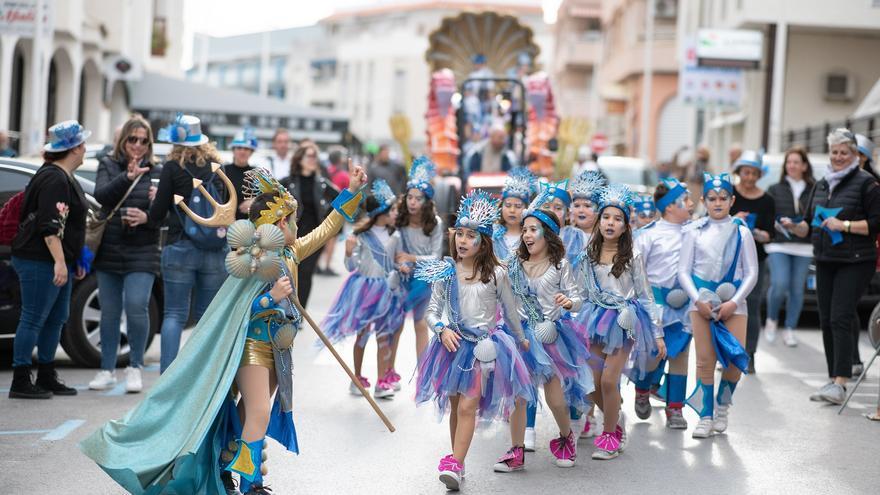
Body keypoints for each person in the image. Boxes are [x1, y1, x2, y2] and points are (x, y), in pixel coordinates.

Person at [80, 165, 366, 495]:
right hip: (252, 347)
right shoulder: (252, 259)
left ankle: (224, 465)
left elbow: (328, 228)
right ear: (280, 223)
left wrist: (353, 191)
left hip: (279, 350)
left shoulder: (291, 252)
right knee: (258, 412)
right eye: (293, 219)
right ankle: (251, 484)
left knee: (248, 413)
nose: (299, 226)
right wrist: (268, 299)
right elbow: (238, 310)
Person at [414, 190, 535, 490]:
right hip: (451, 347)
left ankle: (453, 463)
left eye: (471, 236)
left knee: (468, 406)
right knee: (456, 408)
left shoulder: (496, 274)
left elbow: (510, 312)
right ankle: (459, 460)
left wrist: (521, 340)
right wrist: (441, 328)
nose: (463, 241)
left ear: (483, 242)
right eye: (460, 235)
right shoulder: (447, 271)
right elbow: (431, 312)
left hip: (484, 349)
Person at [494, 187, 593, 471]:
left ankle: (565, 437)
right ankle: (516, 451)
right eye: (524, 229)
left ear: (548, 234)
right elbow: (492, 274)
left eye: (533, 229)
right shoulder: (514, 263)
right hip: (520, 337)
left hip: (550, 336)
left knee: (555, 399)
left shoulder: (560, 265)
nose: (526, 234)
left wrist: (568, 301)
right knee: (518, 396)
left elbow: (577, 299)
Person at [782, 128, 880, 405]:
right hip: (825, 258)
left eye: (844, 153)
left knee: (840, 316)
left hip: (856, 261)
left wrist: (845, 225)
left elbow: (876, 224)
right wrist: (794, 227)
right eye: (834, 152)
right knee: (826, 319)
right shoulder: (822, 183)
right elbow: (809, 223)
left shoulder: (867, 184)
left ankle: (840, 382)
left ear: (854, 155)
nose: (838, 157)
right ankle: (832, 380)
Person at [581, 184, 664, 459]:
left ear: (626, 226)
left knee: (608, 380)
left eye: (618, 219)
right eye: (606, 217)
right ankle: (616, 420)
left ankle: (608, 436)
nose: (610, 223)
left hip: (624, 322)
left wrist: (658, 332)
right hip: (593, 319)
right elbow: (579, 292)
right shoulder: (588, 255)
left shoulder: (632, 256)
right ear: (599, 220)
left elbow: (646, 294)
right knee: (590, 383)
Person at [7, 120, 90, 399]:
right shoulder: (55, 178)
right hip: (40, 259)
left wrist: (72, 258)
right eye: (82, 144)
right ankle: (21, 380)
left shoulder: (61, 175)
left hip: (54, 258)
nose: (85, 148)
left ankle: (45, 374)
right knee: (33, 317)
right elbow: (49, 226)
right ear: (74, 149)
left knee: (56, 318)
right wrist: (59, 261)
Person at [679, 173, 758, 439]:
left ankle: (723, 405)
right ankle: (705, 416)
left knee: (734, 360)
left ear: (732, 200)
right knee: (704, 361)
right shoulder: (693, 231)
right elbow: (683, 271)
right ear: (703, 200)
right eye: (712, 199)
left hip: (734, 305)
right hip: (700, 303)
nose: (717, 203)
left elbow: (751, 272)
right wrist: (697, 300)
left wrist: (735, 302)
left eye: (723, 198)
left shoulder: (742, 232)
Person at [148, 114, 229, 373]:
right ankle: (200, 378)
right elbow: (225, 205)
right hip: (215, 250)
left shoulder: (172, 167)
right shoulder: (218, 165)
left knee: (174, 314)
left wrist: (152, 208)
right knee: (206, 318)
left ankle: (168, 377)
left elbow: (158, 212)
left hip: (180, 247)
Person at [88, 116, 162, 393]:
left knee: (136, 306)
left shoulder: (157, 170)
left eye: (144, 141)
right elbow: (102, 195)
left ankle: (135, 367)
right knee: (109, 311)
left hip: (142, 249)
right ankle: (106, 369)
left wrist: (148, 215)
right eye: (133, 139)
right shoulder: (109, 164)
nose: (138, 145)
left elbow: (165, 215)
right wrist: (127, 177)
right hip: (110, 247)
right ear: (123, 141)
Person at [321, 179, 405, 399]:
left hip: (386, 289)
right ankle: (357, 378)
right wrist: (348, 253)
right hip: (366, 290)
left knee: (384, 336)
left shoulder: (395, 235)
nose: (396, 213)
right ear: (381, 212)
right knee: (363, 335)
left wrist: (401, 266)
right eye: (393, 209)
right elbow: (351, 267)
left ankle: (381, 381)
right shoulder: (360, 235)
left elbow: (394, 261)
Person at [632, 178, 694, 429]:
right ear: (670, 206)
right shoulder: (647, 236)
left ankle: (675, 408)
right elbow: (637, 273)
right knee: (653, 356)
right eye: (686, 199)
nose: (691, 204)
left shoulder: (694, 232)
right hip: (655, 307)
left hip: (685, 308)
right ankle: (643, 388)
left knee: (680, 356)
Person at [389, 156, 444, 388]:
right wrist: (400, 263)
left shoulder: (436, 224)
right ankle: (388, 371)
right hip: (402, 278)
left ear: (427, 201)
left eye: (418, 198)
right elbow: (394, 251)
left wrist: (413, 259)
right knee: (395, 324)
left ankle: (423, 374)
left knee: (420, 324)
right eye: (409, 197)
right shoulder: (399, 222)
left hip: (424, 280)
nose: (412, 202)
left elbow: (436, 256)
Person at [764, 147, 815, 348]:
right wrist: (777, 224)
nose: (792, 166)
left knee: (796, 289)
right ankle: (771, 319)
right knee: (780, 284)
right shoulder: (775, 189)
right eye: (789, 162)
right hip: (779, 244)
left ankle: (790, 329)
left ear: (804, 166)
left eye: (796, 162)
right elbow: (767, 217)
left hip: (804, 246)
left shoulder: (813, 189)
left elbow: (814, 216)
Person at [279, 142, 340, 307]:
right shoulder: (287, 182)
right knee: (289, 272)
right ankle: (285, 310)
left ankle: (299, 311)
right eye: (310, 156)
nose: (313, 159)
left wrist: (329, 223)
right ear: (299, 159)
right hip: (291, 235)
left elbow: (340, 199)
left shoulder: (321, 183)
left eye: (315, 156)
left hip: (314, 235)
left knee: (306, 273)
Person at [730, 151, 775, 373]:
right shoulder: (728, 194)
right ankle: (728, 353)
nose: (749, 177)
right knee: (727, 305)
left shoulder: (767, 201)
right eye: (745, 172)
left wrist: (754, 232)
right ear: (738, 173)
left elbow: (770, 234)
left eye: (754, 173)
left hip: (755, 260)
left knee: (753, 307)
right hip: (728, 261)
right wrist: (733, 223)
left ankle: (750, 355)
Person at [317, 148, 351, 276]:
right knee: (332, 238)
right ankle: (327, 265)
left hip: (323, 208)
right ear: (340, 160)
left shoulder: (326, 172)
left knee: (321, 236)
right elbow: (348, 195)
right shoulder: (344, 175)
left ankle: (317, 263)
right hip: (337, 209)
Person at [492, 168, 535, 262]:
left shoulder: (531, 235)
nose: (512, 210)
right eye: (508, 205)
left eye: (518, 206)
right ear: (501, 207)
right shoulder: (492, 234)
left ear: (526, 209)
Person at [222, 128, 258, 220]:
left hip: (249, 225)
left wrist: (254, 202)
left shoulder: (257, 174)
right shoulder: (223, 171)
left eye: (246, 148)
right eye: (239, 148)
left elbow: (268, 197)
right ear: (233, 150)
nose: (242, 151)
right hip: (224, 222)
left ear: (251, 152)